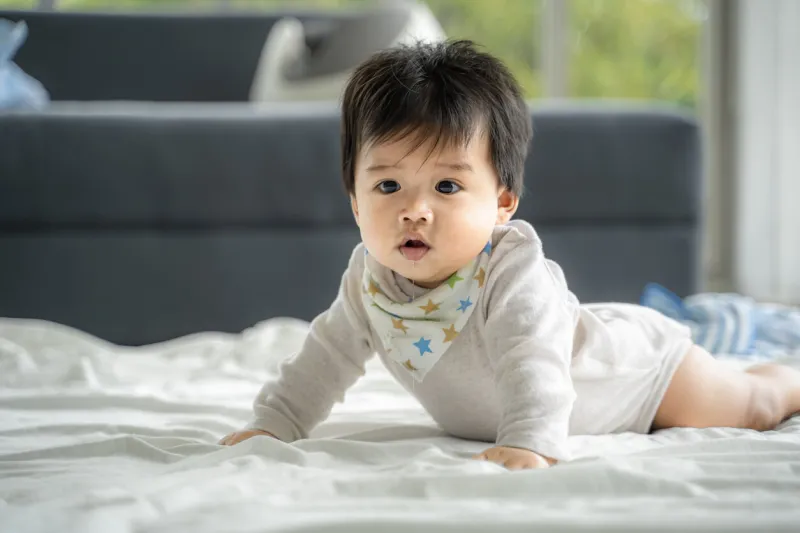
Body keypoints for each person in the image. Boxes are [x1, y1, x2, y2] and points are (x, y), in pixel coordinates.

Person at [220, 40, 800, 470]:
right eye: (388, 186)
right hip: (582, 377)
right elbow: (325, 356)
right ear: (354, 200)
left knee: (753, 403)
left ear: (501, 203)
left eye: (447, 187)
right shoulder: (369, 278)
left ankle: (787, 375)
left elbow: (533, 359)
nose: (414, 210)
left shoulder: (511, 270)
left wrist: (529, 439)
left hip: (636, 377)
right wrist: (275, 423)